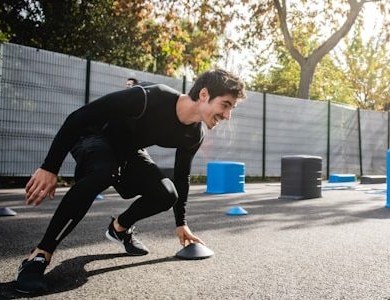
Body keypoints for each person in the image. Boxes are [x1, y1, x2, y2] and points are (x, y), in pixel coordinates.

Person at [15, 69, 246, 294]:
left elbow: (181, 176)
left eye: (232, 109)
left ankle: (119, 229)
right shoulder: (147, 97)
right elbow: (78, 118)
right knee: (103, 172)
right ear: (204, 95)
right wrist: (49, 168)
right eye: (225, 105)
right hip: (92, 136)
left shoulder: (193, 135)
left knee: (167, 193)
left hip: (127, 150)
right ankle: (39, 255)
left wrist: (181, 223)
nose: (228, 116)